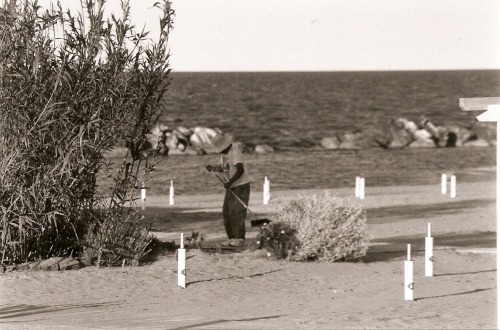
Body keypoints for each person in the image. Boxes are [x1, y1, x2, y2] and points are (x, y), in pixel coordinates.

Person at [205, 133, 250, 247]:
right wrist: (214, 168)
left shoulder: (235, 152)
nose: (220, 151)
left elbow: (240, 170)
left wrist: (230, 182)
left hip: (240, 185)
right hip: (231, 186)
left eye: (221, 149)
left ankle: (240, 238)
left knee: (237, 212)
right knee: (226, 212)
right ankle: (232, 238)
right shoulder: (224, 154)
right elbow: (226, 167)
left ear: (225, 146)